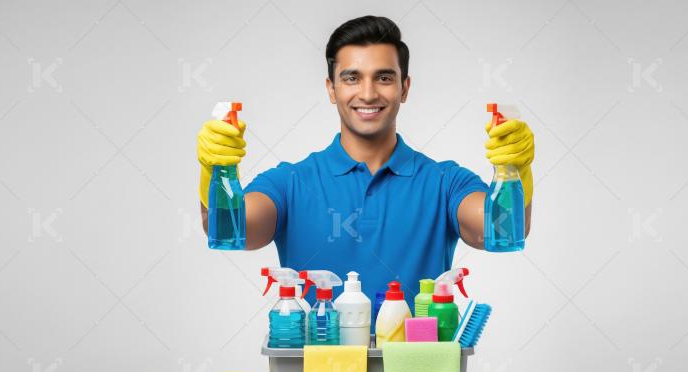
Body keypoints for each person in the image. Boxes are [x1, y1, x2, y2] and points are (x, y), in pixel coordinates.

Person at [196, 16, 534, 308]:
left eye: (384, 78)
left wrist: (514, 170)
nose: (369, 93)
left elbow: (500, 232)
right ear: (332, 89)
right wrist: (216, 170)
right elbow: (230, 232)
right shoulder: (290, 183)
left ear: (404, 88)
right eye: (352, 78)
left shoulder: (445, 183)